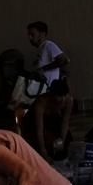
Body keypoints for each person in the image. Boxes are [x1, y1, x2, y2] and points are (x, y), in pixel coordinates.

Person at [25, 22, 73, 154]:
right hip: (46, 96)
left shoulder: (49, 45)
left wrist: (43, 69)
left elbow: (64, 60)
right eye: (28, 35)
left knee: (61, 136)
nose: (30, 38)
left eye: (32, 34)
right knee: (39, 130)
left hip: (52, 92)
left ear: (42, 34)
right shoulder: (41, 49)